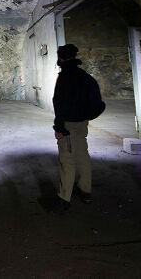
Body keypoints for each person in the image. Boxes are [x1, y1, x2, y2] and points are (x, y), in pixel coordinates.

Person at [51, 43, 105, 213]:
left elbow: (60, 105)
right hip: (82, 124)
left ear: (61, 58)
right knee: (82, 155)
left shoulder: (64, 78)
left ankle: (64, 198)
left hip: (68, 124)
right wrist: (86, 116)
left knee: (67, 160)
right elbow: (99, 104)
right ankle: (85, 190)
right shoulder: (86, 77)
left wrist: (59, 127)